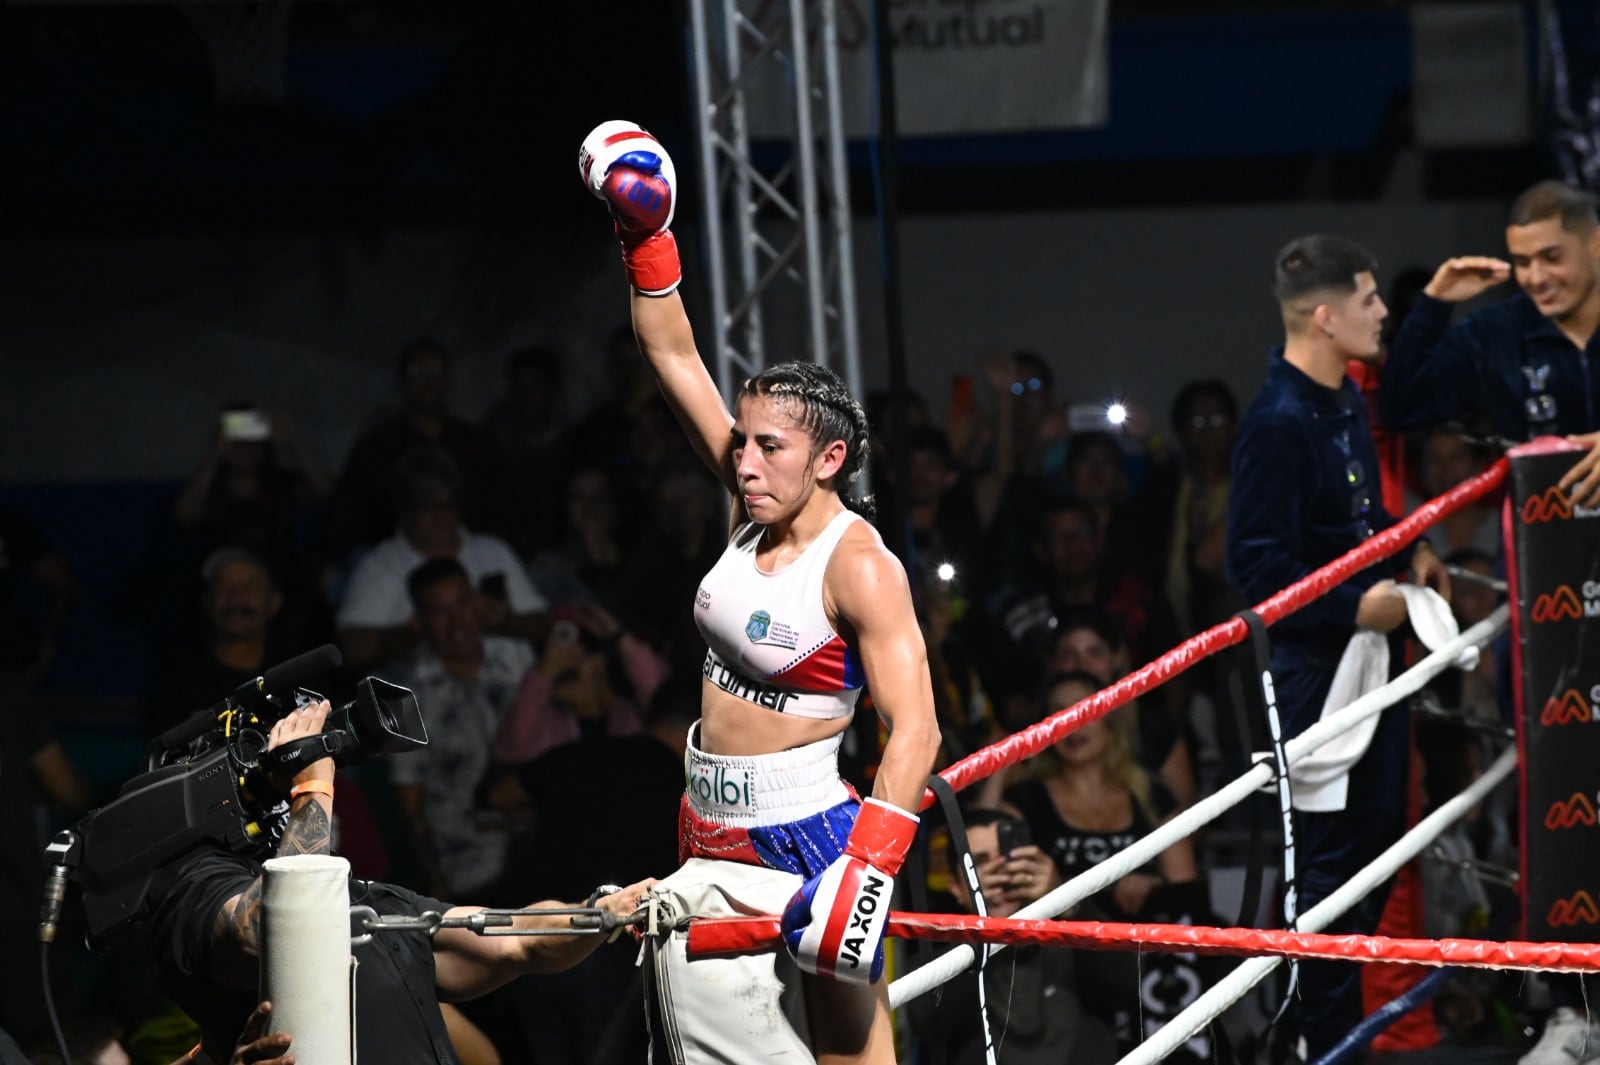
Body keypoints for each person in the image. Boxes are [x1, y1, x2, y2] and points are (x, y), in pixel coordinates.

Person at [580, 120, 940, 1064]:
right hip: (707, 818)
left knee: (846, 1055)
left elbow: (919, 729)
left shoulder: (860, 563)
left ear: (829, 458)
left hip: (807, 831)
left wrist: (866, 874)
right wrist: (643, 234)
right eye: (740, 440)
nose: (741, 460)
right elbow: (671, 354)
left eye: (766, 446)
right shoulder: (751, 501)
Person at [147, 698, 654, 1064]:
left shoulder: (367, 901)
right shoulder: (196, 882)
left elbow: (517, 942)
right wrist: (312, 785)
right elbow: (267, 928)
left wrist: (602, 913)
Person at [1227, 234, 1449, 1059]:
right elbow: (1257, 568)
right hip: (1318, 677)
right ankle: (1316, 1045)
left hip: (1368, 662)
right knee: (1327, 876)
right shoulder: (1278, 423)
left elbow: (1351, 527)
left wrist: (1407, 546)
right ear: (1325, 317)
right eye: (1367, 299)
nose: (1383, 309)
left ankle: (1329, 1036)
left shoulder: (1343, 397)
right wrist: (1363, 607)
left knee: (1379, 853)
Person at [1000, 671, 1208, 1059]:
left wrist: (1153, 889)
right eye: (1059, 712)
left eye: (1085, 710)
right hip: (1062, 966)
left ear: (1110, 718)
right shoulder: (1023, 800)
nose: (1073, 722)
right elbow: (989, 870)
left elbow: (1187, 897)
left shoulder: (1151, 795)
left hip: (1147, 965)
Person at [1379, 179, 1600, 505]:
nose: (1536, 278)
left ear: (1595, 244)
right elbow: (1401, 410)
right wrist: (1434, 305)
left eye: (1551, 257)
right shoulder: (1494, 335)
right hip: (1542, 539)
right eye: (1522, 262)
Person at [903, 808, 1116, 1065]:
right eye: (980, 862)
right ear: (956, 888)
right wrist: (990, 926)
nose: (1001, 871)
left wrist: (1066, 900)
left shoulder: (1072, 929)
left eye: (1007, 854)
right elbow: (931, 1021)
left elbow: (1127, 984)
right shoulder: (942, 960)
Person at [384, 557, 536, 902]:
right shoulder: (406, 696)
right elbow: (410, 804)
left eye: (463, 603)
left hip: (539, 852)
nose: (456, 621)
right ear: (419, 621)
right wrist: (434, 886)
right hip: (466, 871)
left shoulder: (519, 659)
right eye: (439, 611)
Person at [336, 447, 547, 671]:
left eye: (448, 504)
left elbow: (544, 626)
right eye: (428, 506)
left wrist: (504, 623)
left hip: (514, 693)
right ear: (405, 510)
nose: (442, 516)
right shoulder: (378, 566)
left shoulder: (493, 552)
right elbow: (351, 648)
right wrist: (419, 630)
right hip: (427, 700)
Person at [327, 338, 514, 556]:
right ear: (402, 382)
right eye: (417, 373)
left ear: (448, 380)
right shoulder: (376, 447)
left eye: (436, 372)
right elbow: (349, 515)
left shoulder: (479, 444)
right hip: (398, 560)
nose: (428, 382)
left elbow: (505, 510)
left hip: (471, 557)